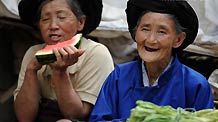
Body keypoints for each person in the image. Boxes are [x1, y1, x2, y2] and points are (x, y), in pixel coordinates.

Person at [89, 0, 214, 121]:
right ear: (135, 32)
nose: (151, 40)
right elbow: (98, 119)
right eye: (145, 29)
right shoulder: (119, 76)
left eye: (161, 32)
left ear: (178, 40)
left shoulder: (195, 84)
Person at [13, 0, 114, 121]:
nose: (53, 26)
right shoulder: (33, 53)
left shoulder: (96, 53)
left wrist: (60, 72)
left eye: (61, 17)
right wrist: (31, 70)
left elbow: (77, 115)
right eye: (45, 19)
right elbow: (24, 118)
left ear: (80, 22)